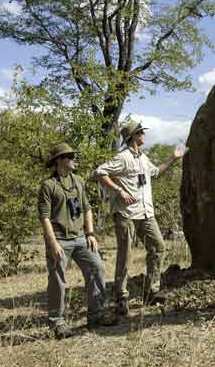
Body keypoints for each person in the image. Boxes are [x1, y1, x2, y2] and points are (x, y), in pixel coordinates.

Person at [95, 119, 188, 316]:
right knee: (125, 254)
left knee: (158, 247)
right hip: (126, 213)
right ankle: (121, 296)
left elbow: (155, 173)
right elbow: (100, 172)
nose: (144, 134)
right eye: (141, 132)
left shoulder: (143, 158)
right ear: (134, 136)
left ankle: (152, 290)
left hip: (146, 212)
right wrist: (119, 190)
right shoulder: (123, 157)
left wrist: (174, 157)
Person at [38, 142, 118, 338]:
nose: (74, 159)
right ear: (59, 160)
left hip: (81, 238)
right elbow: (44, 217)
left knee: (97, 268)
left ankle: (96, 315)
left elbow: (87, 209)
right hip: (59, 239)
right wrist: (53, 243)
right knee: (57, 280)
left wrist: (90, 234)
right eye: (69, 156)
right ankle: (57, 323)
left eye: (73, 156)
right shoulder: (48, 186)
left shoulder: (79, 181)